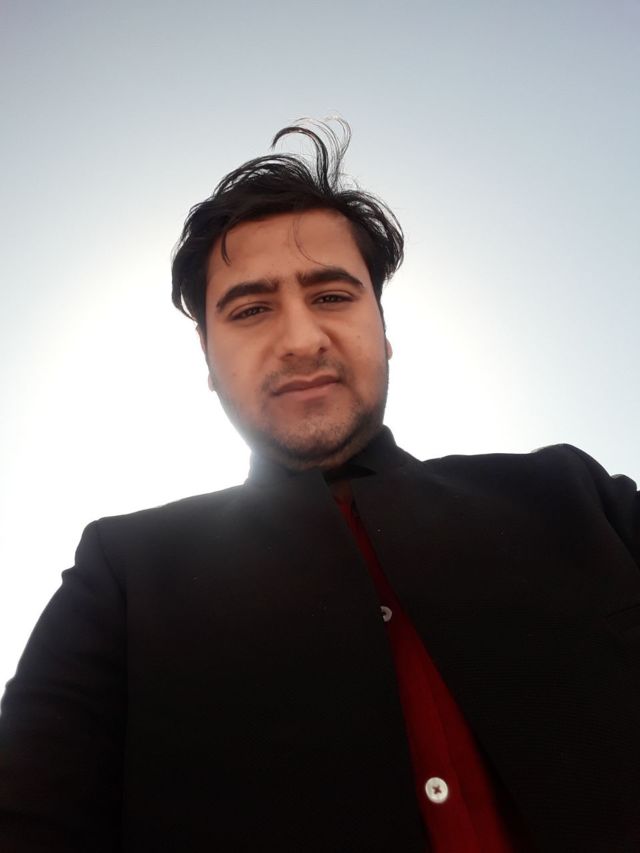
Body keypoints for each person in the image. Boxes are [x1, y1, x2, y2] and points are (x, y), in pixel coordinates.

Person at [0, 118, 638, 853]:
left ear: (384, 329)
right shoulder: (123, 573)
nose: (302, 339)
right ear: (207, 359)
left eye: (333, 296)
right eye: (250, 310)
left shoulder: (575, 496)